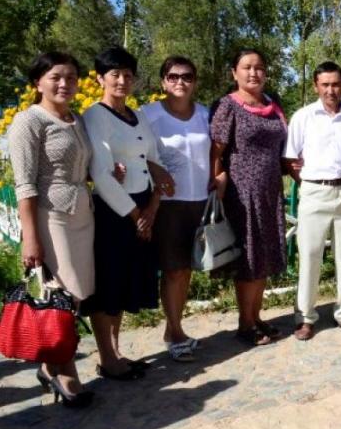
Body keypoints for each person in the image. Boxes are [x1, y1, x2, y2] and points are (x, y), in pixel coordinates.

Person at [8, 52, 95, 407]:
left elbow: (83, 165)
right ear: (37, 82)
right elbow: (24, 185)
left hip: (81, 214)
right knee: (62, 295)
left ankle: (49, 366)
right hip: (50, 216)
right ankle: (65, 372)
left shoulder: (76, 118)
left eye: (71, 77)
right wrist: (30, 237)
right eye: (56, 77)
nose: (65, 84)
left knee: (76, 295)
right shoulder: (28, 121)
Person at [81, 46, 173, 380]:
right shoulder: (96, 115)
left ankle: (117, 353)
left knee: (123, 285)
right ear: (100, 78)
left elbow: (153, 159)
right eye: (115, 74)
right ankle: (107, 358)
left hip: (143, 203)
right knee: (108, 284)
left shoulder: (137, 115)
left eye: (128, 75)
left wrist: (153, 206)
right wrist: (136, 215)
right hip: (114, 210)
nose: (122, 81)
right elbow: (102, 173)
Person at [210, 48, 287, 346]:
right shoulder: (228, 105)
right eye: (247, 67)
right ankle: (245, 323)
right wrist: (217, 182)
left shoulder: (272, 103)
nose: (254, 73)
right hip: (242, 195)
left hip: (270, 192)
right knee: (249, 259)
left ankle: (256, 316)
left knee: (263, 256)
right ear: (234, 73)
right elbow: (216, 152)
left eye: (259, 67)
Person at [284, 61, 341, 340]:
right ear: (316, 86)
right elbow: (290, 158)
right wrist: (308, 184)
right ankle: (305, 317)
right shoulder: (303, 117)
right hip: (314, 191)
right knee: (309, 255)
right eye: (325, 85)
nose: (331, 90)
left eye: (336, 84)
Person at [141, 56, 209, 361]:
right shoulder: (149, 115)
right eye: (173, 76)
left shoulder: (205, 115)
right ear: (163, 81)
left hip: (200, 200)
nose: (180, 82)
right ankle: (175, 332)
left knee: (185, 270)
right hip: (167, 204)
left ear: (195, 81)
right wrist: (154, 172)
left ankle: (174, 329)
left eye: (187, 76)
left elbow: (217, 152)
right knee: (173, 269)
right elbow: (137, 153)